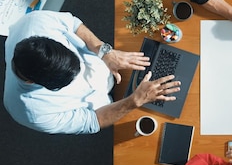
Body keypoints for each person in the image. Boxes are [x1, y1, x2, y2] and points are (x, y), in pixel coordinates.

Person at [3, 10, 181, 134]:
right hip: (106, 105)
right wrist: (134, 101)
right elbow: (93, 121)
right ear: (33, 82)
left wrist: (105, 52)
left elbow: (73, 24)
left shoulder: (36, 21)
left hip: (106, 63)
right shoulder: (32, 113)